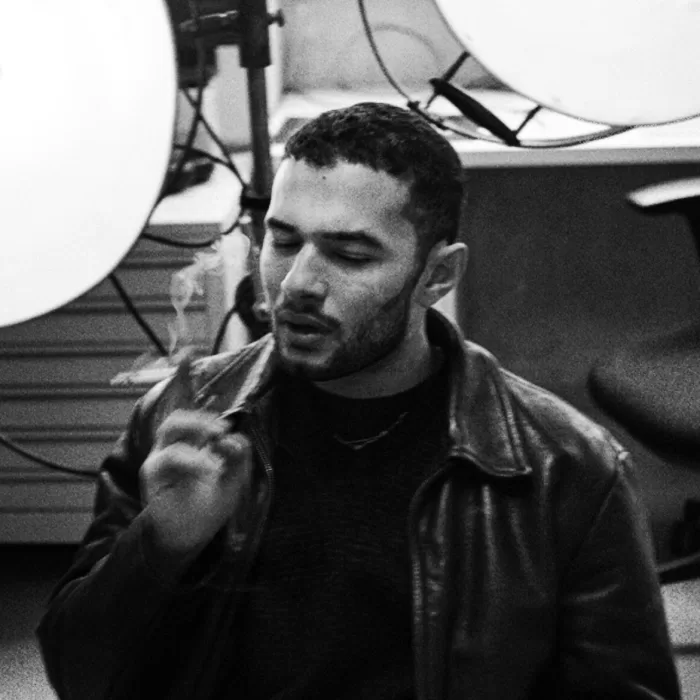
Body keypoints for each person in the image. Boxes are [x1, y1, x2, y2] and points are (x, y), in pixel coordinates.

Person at [37, 101, 680, 700]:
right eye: (283, 240)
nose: (296, 284)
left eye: (348, 254)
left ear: (437, 275)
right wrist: (160, 548)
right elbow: (79, 676)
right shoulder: (185, 418)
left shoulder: (564, 470)